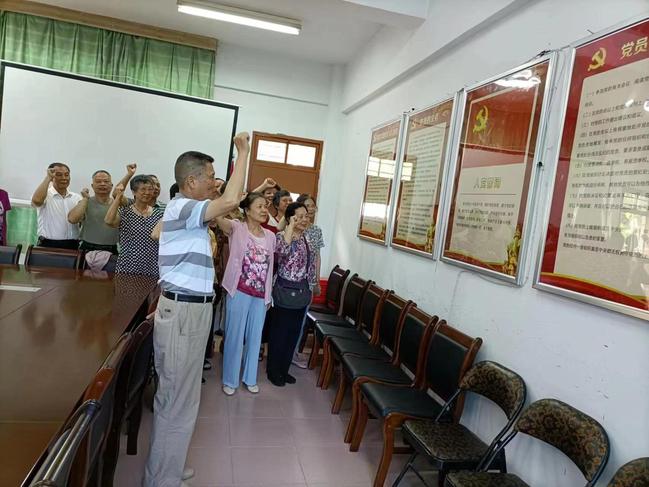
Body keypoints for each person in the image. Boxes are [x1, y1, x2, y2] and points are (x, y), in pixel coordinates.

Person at [143, 132, 250, 487]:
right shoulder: (183, 207)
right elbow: (231, 199)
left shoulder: (189, 212)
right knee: (176, 399)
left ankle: (170, 467)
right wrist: (243, 151)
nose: (215, 182)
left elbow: (229, 205)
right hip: (184, 312)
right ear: (191, 181)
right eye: (211, 176)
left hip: (192, 311)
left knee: (184, 397)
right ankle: (161, 479)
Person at [217, 192, 275, 395]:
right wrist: (230, 199)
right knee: (234, 336)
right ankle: (230, 380)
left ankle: (250, 378)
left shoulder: (270, 236)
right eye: (259, 206)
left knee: (255, 338)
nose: (264, 210)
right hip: (239, 291)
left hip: (260, 295)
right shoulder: (236, 228)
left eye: (266, 206)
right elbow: (217, 216)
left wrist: (268, 295)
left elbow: (270, 267)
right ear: (247, 210)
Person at [266, 202, 315, 386]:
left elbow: (310, 266)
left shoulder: (307, 239)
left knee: (293, 334)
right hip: (284, 292)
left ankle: (284, 370)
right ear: (289, 218)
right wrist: (290, 228)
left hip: (301, 292)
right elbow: (282, 252)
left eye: (306, 216)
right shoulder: (281, 236)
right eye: (299, 216)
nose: (304, 220)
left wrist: (311, 287)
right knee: (280, 333)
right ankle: (273, 371)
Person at [290, 194, 324, 369]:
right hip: (290, 281)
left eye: (313, 206)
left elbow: (317, 257)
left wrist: (316, 280)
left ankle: (294, 352)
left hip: (308, 282)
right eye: (307, 206)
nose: (311, 210)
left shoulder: (316, 230)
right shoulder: (292, 227)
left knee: (301, 319)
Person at [104, 175, 162, 277]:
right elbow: (109, 221)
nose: (147, 192)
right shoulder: (125, 211)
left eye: (150, 189)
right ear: (134, 192)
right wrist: (118, 198)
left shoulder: (159, 214)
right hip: (128, 266)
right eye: (143, 189)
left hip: (152, 265)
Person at [67, 170, 120, 254]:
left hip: (111, 249)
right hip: (87, 248)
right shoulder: (85, 202)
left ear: (111, 185)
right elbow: (72, 219)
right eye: (98, 181)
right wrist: (85, 198)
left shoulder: (117, 204)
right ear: (92, 185)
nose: (102, 184)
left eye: (106, 181)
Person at [31, 163, 82, 249]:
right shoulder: (45, 194)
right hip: (48, 244)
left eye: (67, 175)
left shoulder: (77, 197)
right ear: (52, 177)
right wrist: (48, 178)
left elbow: (80, 220)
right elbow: (37, 201)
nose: (64, 178)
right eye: (59, 175)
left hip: (73, 244)